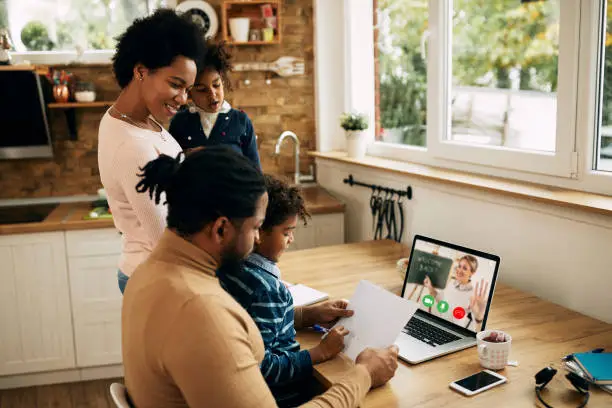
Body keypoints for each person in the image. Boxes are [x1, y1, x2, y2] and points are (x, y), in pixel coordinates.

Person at [122, 146, 399, 408]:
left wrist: (303, 315)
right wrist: (363, 374)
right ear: (221, 229)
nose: (257, 238)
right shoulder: (202, 311)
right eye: (255, 227)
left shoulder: (147, 273)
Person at [97, 9, 206, 294]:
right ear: (141, 70)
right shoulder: (133, 143)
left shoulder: (133, 119)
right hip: (156, 279)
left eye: (188, 89)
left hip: (159, 273)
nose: (183, 99)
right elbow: (165, 239)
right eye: (175, 84)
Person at [218, 175, 350, 407]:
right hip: (283, 397)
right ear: (259, 232)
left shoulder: (232, 268)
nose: (291, 239)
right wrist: (321, 352)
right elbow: (263, 367)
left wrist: (310, 314)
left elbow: (260, 327)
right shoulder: (266, 290)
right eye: (286, 232)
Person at [169, 40, 261, 168]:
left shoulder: (241, 121)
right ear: (189, 92)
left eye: (216, 85)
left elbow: (256, 174)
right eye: (202, 90)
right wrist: (186, 156)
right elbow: (171, 169)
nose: (212, 95)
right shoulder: (180, 122)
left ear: (223, 81)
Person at [423, 255, 489, 331]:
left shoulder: (473, 295)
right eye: (459, 266)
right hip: (441, 326)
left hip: (456, 332)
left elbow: (476, 327)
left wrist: (479, 317)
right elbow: (440, 300)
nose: (459, 270)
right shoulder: (451, 284)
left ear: (472, 273)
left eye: (464, 268)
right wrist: (430, 287)